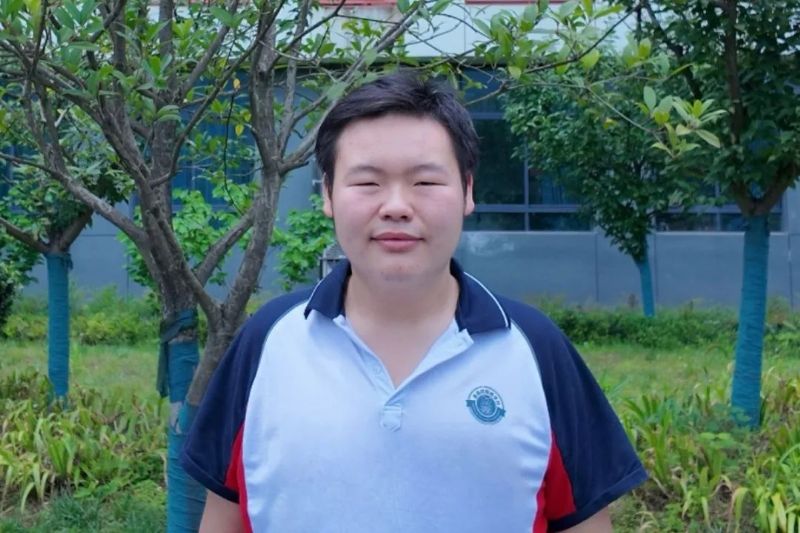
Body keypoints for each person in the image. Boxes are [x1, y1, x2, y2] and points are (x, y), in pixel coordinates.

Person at [181, 71, 647, 532]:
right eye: (368, 183)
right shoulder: (267, 342)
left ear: (467, 191)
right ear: (328, 195)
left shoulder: (535, 349)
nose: (397, 206)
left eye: (425, 182)